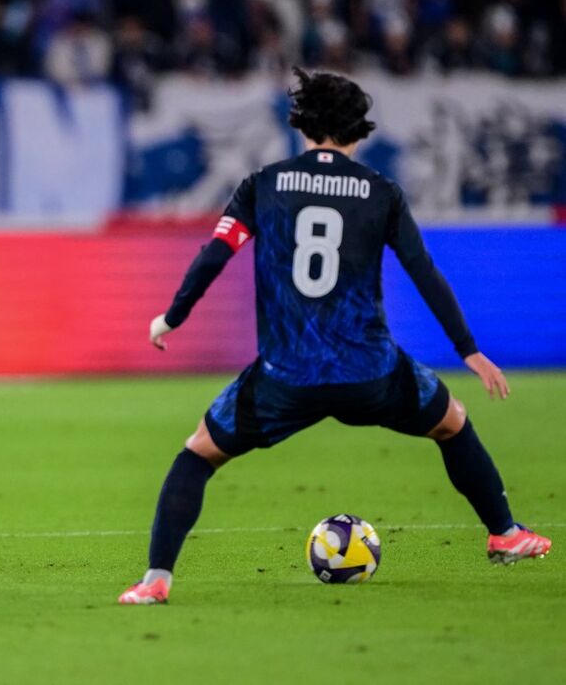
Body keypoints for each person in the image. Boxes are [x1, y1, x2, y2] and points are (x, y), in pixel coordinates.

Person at [118, 68, 551, 605]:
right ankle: (506, 533)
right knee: (452, 423)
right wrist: (469, 349)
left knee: (198, 455)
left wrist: (173, 317)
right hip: (372, 372)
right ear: (359, 131)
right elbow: (423, 271)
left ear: (300, 124)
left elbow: (215, 255)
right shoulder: (381, 193)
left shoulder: (263, 184)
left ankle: (156, 581)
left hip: (285, 376)